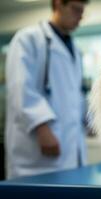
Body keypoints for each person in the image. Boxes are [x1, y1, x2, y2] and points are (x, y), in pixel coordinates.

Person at [5, 0, 89, 179]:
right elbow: (21, 88)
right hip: (37, 154)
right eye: (76, 9)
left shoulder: (75, 49)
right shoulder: (28, 39)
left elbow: (74, 96)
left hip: (71, 149)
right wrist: (42, 128)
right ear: (58, 4)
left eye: (83, 11)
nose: (80, 16)